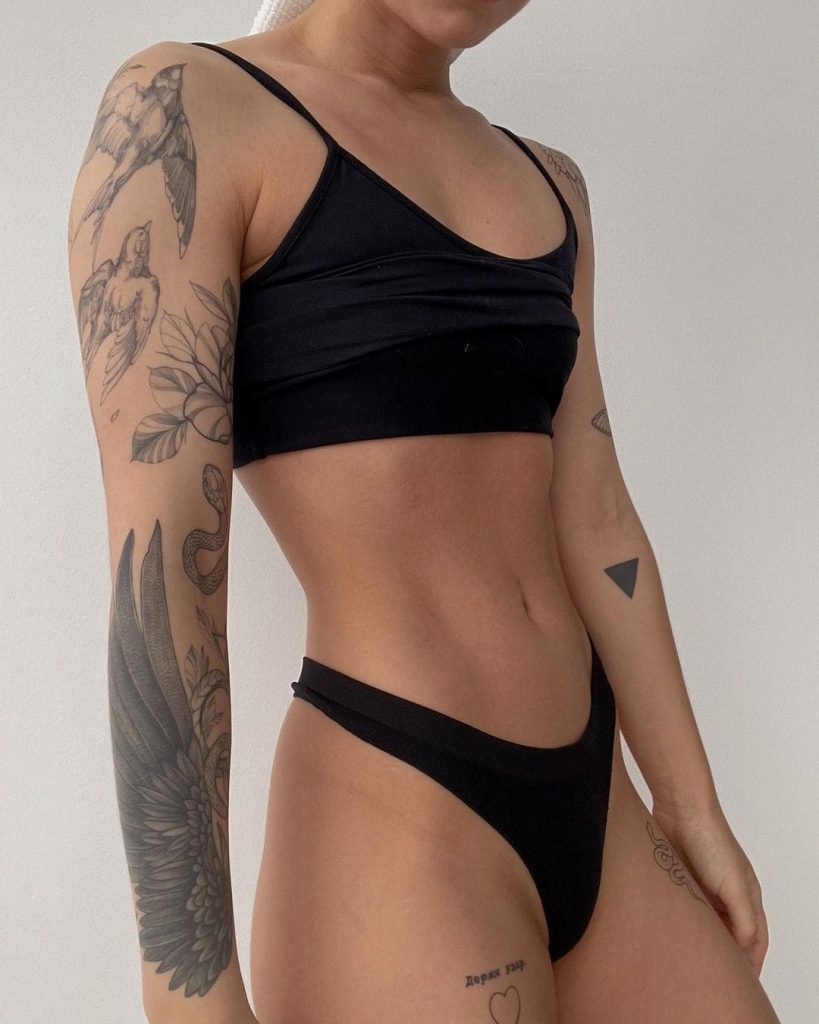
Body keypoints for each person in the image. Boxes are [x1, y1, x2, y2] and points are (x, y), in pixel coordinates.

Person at [66, 1, 782, 1021]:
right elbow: (165, 565)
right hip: (398, 799)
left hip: (601, 797)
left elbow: (597, 517)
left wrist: (692, 802)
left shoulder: (552, 182)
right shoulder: (192, 105)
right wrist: (186, 990)